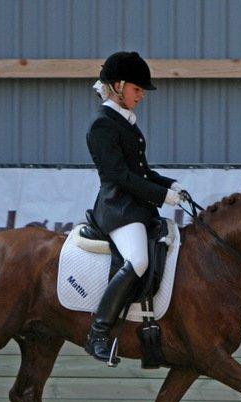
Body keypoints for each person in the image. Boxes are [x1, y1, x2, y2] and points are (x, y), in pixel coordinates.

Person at [84, 51, 185, 363]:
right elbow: (119, 175)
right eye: (137, 89)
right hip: (117, 208)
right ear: (117, 86)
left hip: (137, 208)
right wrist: (159, 196)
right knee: (138, 260)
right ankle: (98, 333)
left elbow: (142, 171)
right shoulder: (103, 125)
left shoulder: (126, 123)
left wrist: (169, 185)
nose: (141, 96)